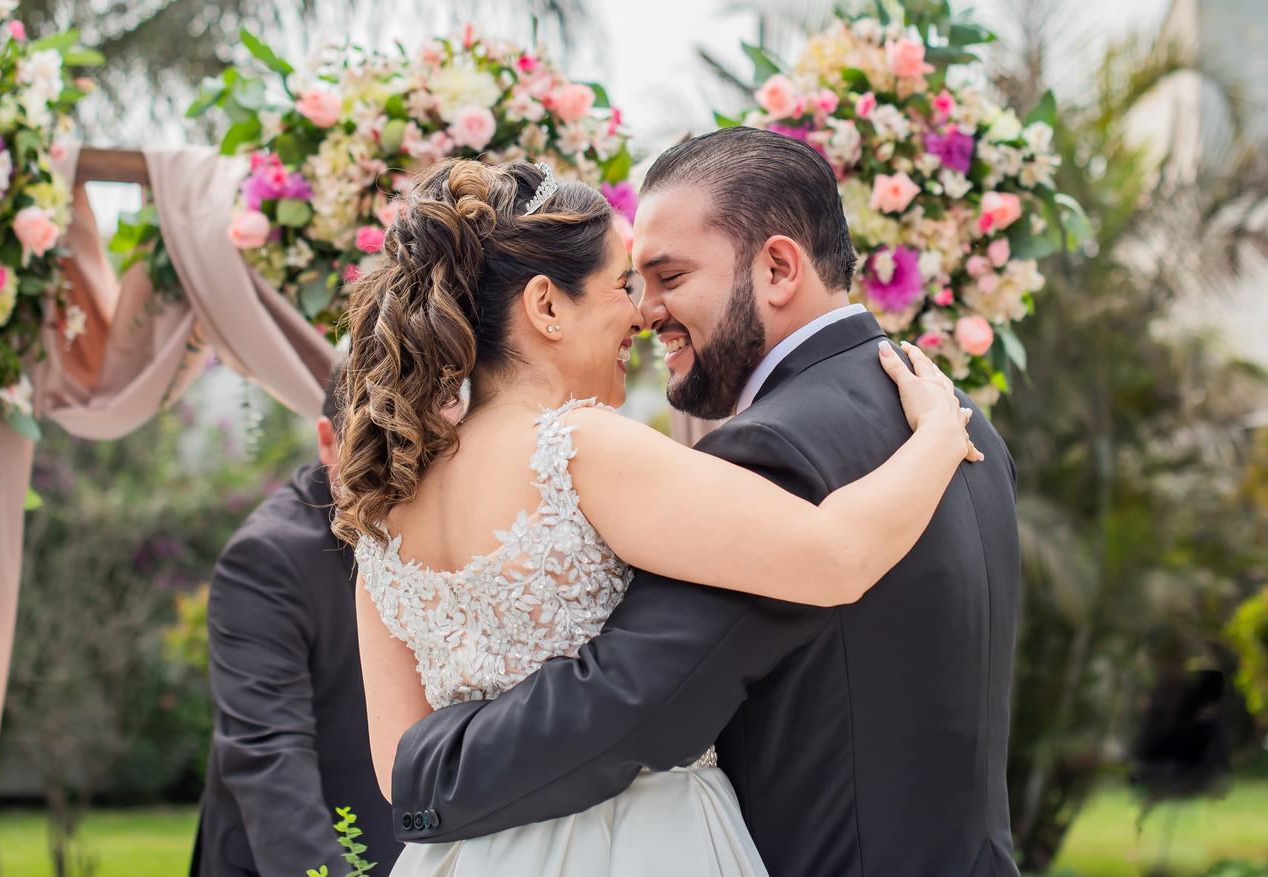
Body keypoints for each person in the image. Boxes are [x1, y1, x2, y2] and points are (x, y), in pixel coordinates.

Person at [333, 140, 1004, 877]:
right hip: (642, 842)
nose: (641, 315)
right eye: (622, 285)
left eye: (658, 280)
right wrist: (941, 437)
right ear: (547, 305)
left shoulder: (382, 519)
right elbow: (836, 554)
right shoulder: (579, 446)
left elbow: (406, 771)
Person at [190, 365, 402, 877]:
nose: (403, 476)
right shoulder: (264, 560)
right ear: (327, 441)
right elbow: (269, 757)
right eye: (379, 452)